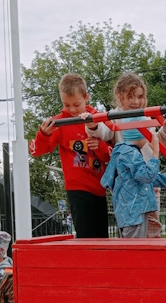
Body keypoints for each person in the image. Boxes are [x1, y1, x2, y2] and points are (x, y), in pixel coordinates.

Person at [90, 73, 166, 238]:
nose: (136, 102)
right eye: (131, 97)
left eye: (140, 97)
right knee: (133, 223)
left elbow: (156, 143)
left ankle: (153, 252)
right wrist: (93, 126)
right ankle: (135, 253)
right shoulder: (115, 117)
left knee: (152, 222)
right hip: (128, 183)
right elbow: (104, 131)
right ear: (120, 97)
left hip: (149, 179)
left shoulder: (145, 116)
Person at [30, 73, 112, 238]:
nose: (72, 110)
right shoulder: (59, 123)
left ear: (86, 97)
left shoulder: (98, 117)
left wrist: (100, 146)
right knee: (86, 236)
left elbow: (112, 149)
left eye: (76, 104)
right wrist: (43, 134)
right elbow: (37, 151)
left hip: (100, 187)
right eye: (67, 105)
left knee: (102, 237)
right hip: (77, 188)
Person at [102, 131, 166, 238]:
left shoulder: (127, 152)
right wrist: (155, 153)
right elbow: (147, 176)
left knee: (137, 245)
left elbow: (148, 179)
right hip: (133, 211)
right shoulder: (129, 153)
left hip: (133, 210)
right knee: (134, 248)